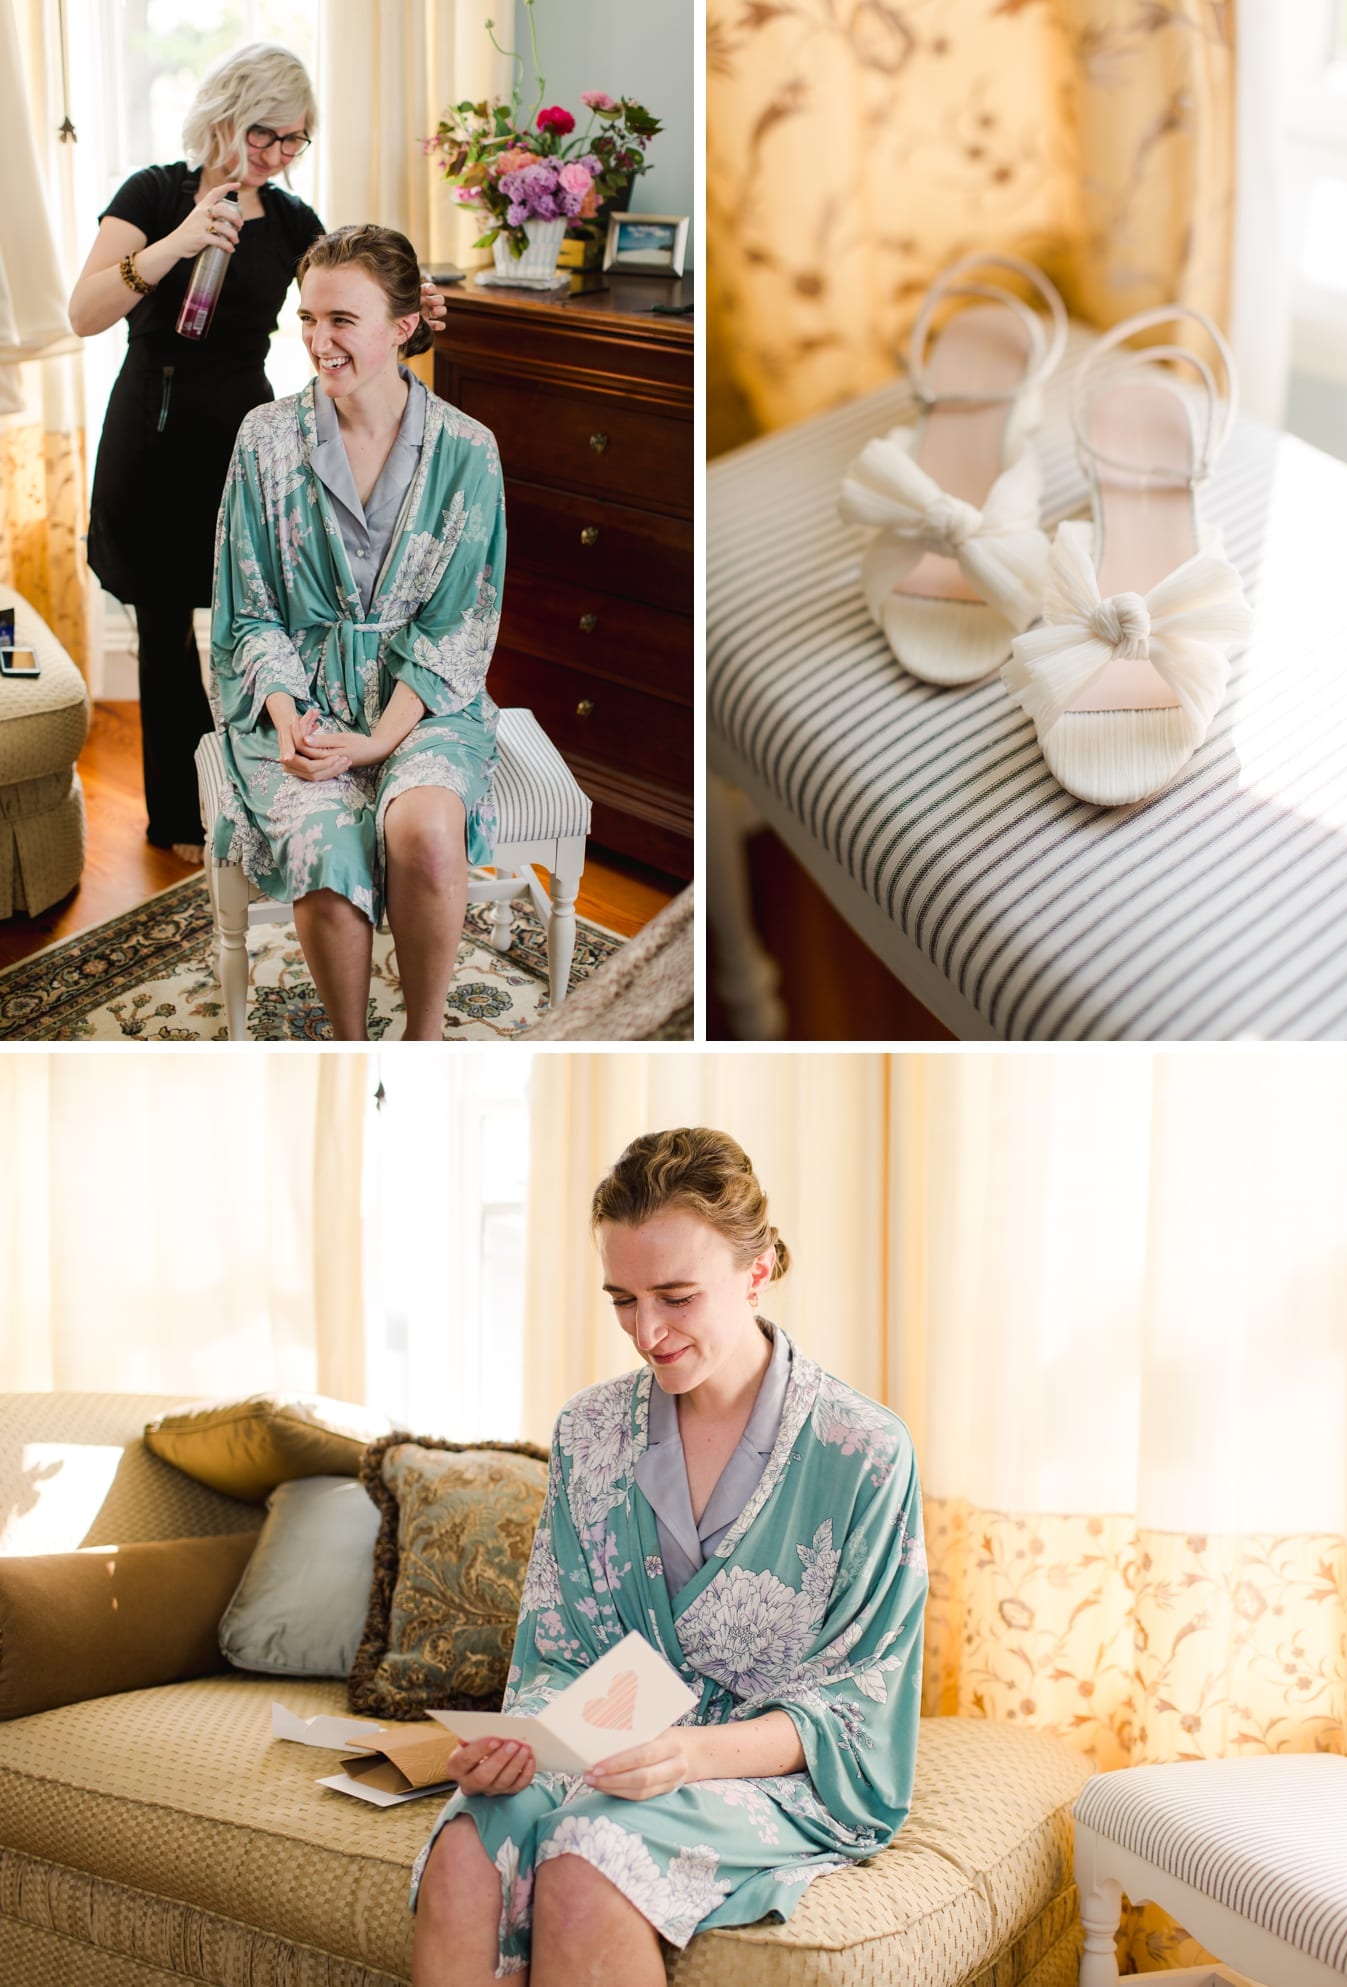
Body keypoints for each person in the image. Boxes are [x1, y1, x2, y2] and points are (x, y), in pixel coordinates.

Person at [410, 1128, 929, 1987]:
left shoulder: (864, 1451)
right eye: (622, 1298)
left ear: (755, 1272)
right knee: (466, 1849)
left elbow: (859, 1710)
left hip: (763, 1778)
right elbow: (557, 1651)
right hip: (608, 1756)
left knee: (587, 1859)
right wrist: (522, 1747)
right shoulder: (589, 1430)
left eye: (676, 1296)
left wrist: (689, 1754)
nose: (645, 1332)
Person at [68, 42, 447, 864]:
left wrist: (412, 315)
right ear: (226, 116)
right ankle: (178, 818)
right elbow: (84, 311)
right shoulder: (155, 192)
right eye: (268, 135)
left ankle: (253, 795)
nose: (278, 156)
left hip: (248, 439)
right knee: (162, 625)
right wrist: (176, 242)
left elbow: (348, 312)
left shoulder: (295, 221)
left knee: (251, 626)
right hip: (150, 430)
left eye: (294, 141)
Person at [208, 223, 503, 1041]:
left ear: (403, 326)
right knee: (325, 844)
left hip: (422, 703)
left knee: (428, 834)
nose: (318, 341)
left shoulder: (468, 453)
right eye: (307, 319)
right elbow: (250, 610)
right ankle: (348, 1045)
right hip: (299, 704)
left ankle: (426, 1039)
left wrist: (375, 743)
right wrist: (289, 719)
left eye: (341, 320)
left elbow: (457, 630)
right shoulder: (264, 441)